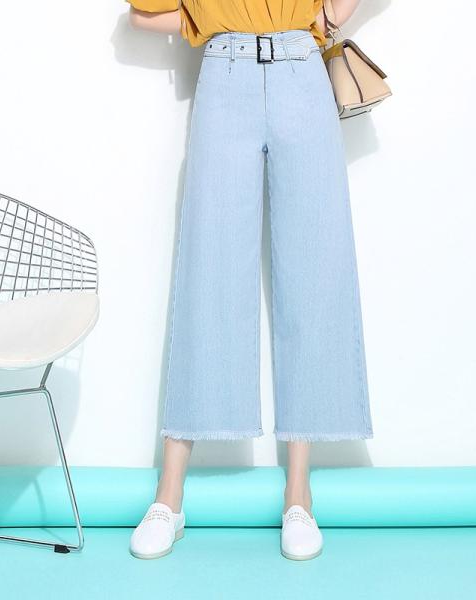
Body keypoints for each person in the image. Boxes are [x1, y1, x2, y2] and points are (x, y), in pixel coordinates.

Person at [126, 0, 373, 561]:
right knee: (206, 274)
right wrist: (207, 19)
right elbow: (141, 14)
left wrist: (330, 19)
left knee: (314, 274)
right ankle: (169, 496)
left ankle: (299, 496)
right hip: (225, 73)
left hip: (302, 70)